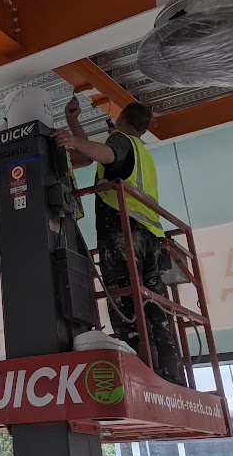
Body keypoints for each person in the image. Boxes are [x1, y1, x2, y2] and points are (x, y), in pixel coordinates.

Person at [52, 100, 183, 385]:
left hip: (125, 234)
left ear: (121, 118)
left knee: (125, 304)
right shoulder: (142, 152)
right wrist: (74, 122)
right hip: (150, 237)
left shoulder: (120, 140)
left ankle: (141, 379)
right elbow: (92, 157)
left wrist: (71, 139)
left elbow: (108, 154)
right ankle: (172, 378)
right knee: (155, 310)